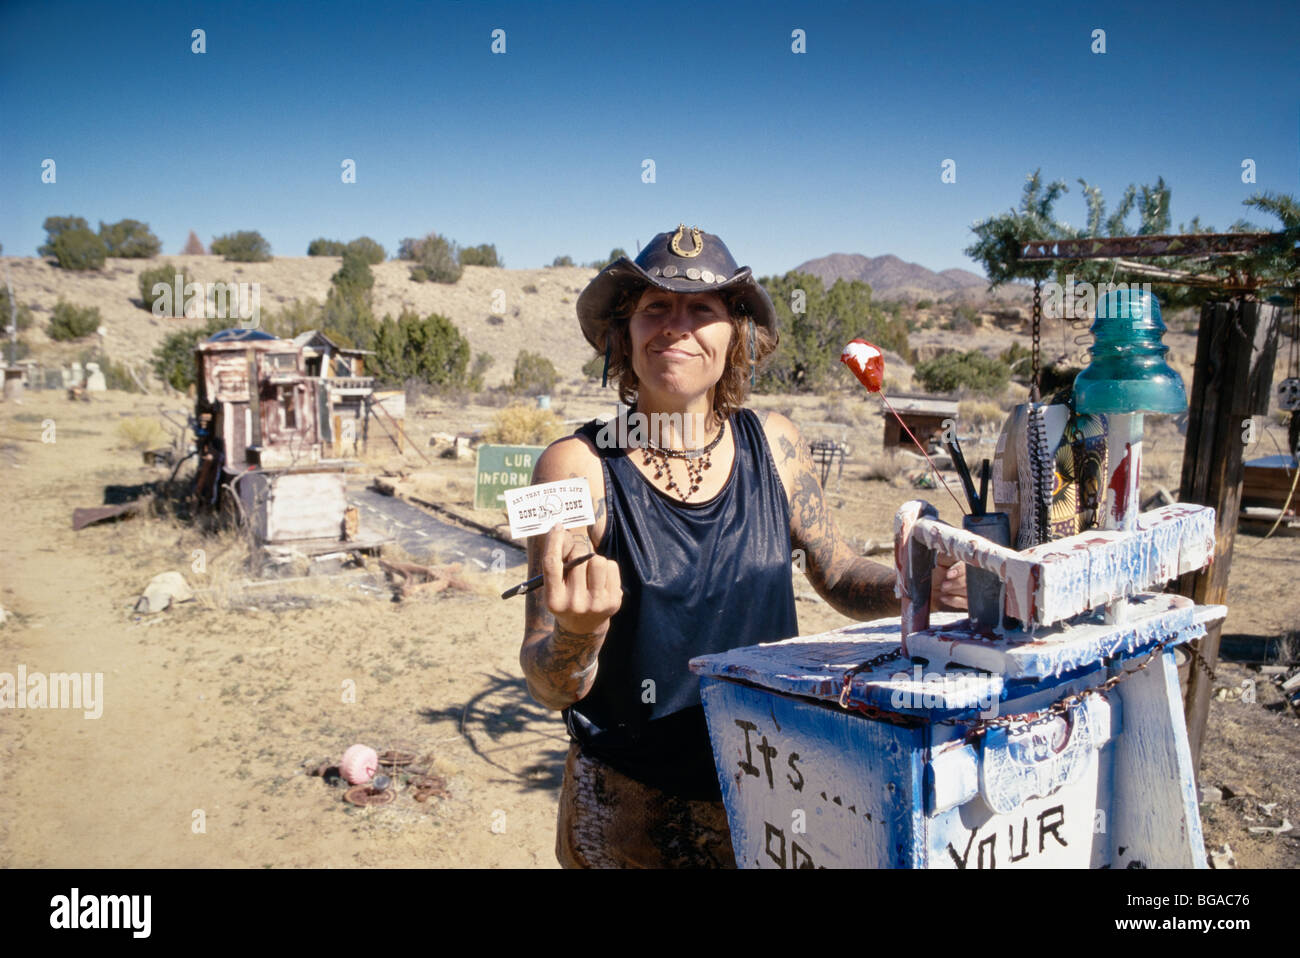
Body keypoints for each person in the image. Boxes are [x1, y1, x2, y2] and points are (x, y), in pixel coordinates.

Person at [519, 225, 966, 868]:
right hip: (631, 815)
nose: (677, 325)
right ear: (626, 334)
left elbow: (836, 573)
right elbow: (547, 681)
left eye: (703, 309)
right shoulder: (573, 467)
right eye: (655, 308)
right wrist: (577, 634)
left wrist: (917, 586)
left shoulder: (776, 444)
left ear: (737, 339)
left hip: (771, 790)